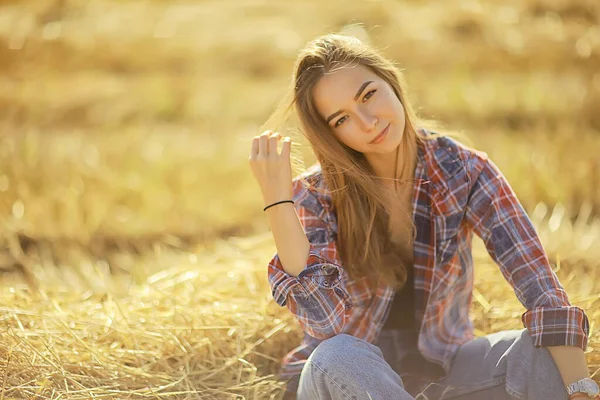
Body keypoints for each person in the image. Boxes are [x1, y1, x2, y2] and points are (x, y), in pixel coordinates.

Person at [248, 34, 598, 400]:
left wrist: (580, 389)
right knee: (340, 355)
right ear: (329, 134)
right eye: (341, 119)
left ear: (391, 81)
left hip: (444, 371)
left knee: (540, 351)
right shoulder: (316, 194)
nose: (368, 122)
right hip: (346, 383)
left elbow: (539, 285)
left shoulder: (463, 170)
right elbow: (324, 323)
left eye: (368, 95)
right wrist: (278, 202)